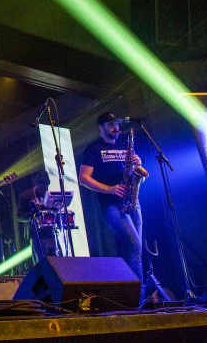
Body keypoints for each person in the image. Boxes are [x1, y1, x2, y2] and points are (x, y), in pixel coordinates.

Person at [78, 112, 148, 300]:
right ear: (100, 128)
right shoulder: (93, 149)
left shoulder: (125, 145)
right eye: (110, 124)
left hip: (132, 201)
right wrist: (109, 189)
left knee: (136, 250)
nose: (115, 127)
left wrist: (138, 164)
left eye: (116, 123)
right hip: (112, 205)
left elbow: (134, 173)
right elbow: (83, 178)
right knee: (134, 246)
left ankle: (127, 295)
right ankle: (137, 298)